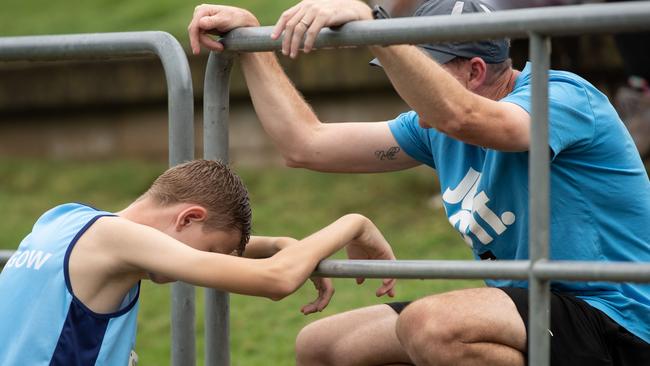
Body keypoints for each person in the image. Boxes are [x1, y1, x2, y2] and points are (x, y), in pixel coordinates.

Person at [188, 0, 650, 365]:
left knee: (433, 325)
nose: (404, 91)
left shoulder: (562, 96)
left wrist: (376, 27)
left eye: (418, 75)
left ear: (475, 71)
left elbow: (468, 116)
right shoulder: (432, 129)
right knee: (324, 345)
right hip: (532, 311)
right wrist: (254, 43)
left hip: (618, 319)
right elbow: (305, 144)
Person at [0, 159, 396, 365]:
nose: (188, 269)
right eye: (206, 254)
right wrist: (353, 223)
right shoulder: (116, 238)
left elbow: (173, 251)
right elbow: (277, 281)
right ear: (189, 217)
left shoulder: (64, 219)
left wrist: (275, 243)